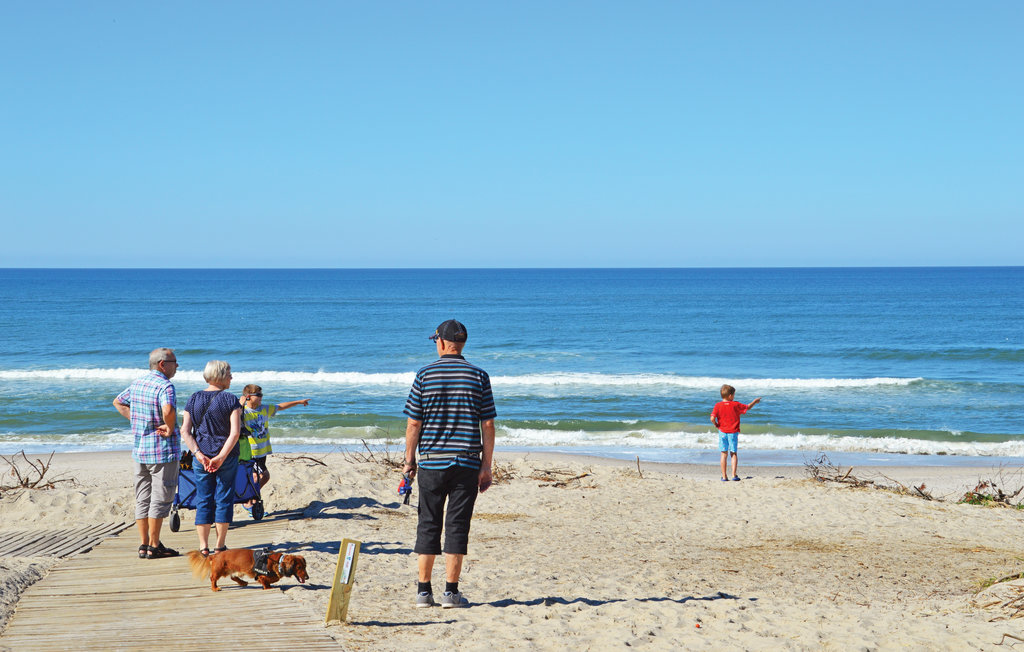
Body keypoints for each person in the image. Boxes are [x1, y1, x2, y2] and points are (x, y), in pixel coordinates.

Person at [403, 319, 496, 609]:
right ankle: (451, 593)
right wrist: (486, 466)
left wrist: (409, 462)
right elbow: (489, 423)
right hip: (467, 463)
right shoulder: (479, 376)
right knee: (457, 525)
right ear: (462, 343)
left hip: (432, 462)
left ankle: (423, 592)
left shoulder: (424, 374)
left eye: (435, 341)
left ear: (441, 343)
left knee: (428, 523)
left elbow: (414, 423)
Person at [112, 347, 181, 560]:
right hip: (162, 450)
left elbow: (118, 401)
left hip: (140, 450)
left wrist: (137, 419)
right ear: (162, 364)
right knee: (161, 498)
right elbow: (168, 410)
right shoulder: (165, 386)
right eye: (174, 362)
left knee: (143, 497)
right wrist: (169, 428)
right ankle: (153, 545)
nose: (177, 366)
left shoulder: (138, 383)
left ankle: (144, 544)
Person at [180, 360, 242, 557]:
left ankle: (203, 546)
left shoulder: (194, 398)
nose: (231, 377)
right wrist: (221, 457)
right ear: (221, 376)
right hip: (227, 456)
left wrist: (198, 454)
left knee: (204, 499)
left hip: (202, 457)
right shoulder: (230, 400)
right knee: (224, 498)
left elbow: (185, 431)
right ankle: (220, 546)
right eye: (229, 374)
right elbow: (234, 434)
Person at [238, 384, 310, 508]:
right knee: (263, 476)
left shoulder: (264, 409)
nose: (261, 397)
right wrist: (240, 405)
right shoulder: (242, 410)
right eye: (259, 395)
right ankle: (249, 500)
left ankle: (250, 501)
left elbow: (281, 406)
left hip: (263, 450)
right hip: (251, 451)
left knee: (257, 476)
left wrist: (298, 402)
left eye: (262, 394)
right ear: (248, 396)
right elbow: (231, 419)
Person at [710, 384, 761, 482]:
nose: (734, 397)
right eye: (733, 395)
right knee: (733, 453)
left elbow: (712, 418)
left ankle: (724, 476)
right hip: (733, 432)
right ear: (730, 396)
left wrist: (716, 424)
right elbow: (748, 407)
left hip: (722, 432)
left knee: (723, 454)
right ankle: (734, 475)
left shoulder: (717, 405)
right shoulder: (735, 404)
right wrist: (755, 401)